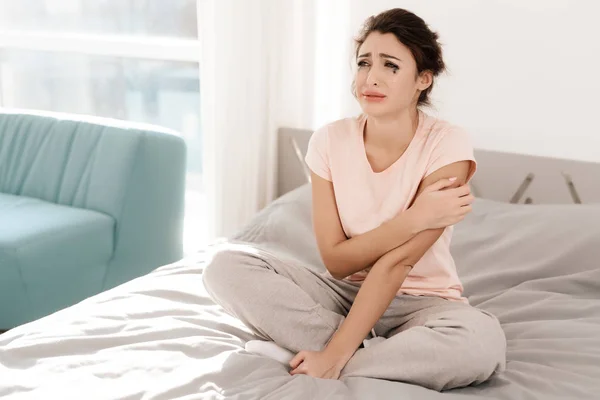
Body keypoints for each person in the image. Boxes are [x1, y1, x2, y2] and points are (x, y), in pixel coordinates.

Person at [203, 8, 506, 391]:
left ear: (422, 79)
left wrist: (333, 356)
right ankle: (370, 354)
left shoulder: (448, 144)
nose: (371, 78)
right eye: (363, 63)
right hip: (342, 295)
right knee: (223, 267)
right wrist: (415, 218)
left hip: (422, 302)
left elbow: (399, 261)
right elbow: (338, 261)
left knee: (482, 344)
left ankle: (325, 354)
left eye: (391, 66)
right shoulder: (329, 141)